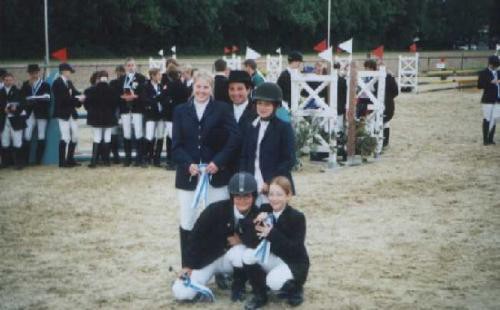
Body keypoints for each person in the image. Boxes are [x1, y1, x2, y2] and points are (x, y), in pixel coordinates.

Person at [172, 71, 240, 268]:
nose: (202, 91)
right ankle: (187, 266)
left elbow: (234, 139)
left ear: (211, 89)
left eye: (206, 87)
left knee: (218, 220)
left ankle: (218, 268)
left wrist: (218, 162)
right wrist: (188, 164)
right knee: (187, 219)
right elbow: (176, 145)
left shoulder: (223, 109)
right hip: (189, 175)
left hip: (215, 175)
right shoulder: (180, 110)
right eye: (198, 86)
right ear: (193, 87)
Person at [172, 172, 261, 303]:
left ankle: (239, 286)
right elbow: (195, 237)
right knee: (181, 292)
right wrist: (187, 265)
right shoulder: (215, 209)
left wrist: (242, 239)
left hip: (231, 261)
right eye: (238, 196)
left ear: (253, 196)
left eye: (247, 195)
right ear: (231, 196)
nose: (242, 200)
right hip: (208, 259)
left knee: (241, 250)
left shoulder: (258, 215)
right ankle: (203, 287)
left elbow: (260, 242)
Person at [242, 176, 309, 309]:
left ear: (288, 196)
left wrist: (272, 233)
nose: (274, 198)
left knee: (273, 281)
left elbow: (294, 249)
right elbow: (249, 240)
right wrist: (255, 222)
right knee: (247, 255)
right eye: (271, 194)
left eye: (279, 194)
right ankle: (260, 295)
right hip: (273, 257)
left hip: (292, 262)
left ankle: (295, 288)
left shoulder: (297, 217)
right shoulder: (264, 209)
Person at [240, 82, 296, 206]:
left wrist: (270, 181)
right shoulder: (251, 127)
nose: (262, 108)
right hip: (252, 182)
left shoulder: (284, 128)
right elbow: (244, 156)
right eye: (259, 103)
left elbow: (289, 159)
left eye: (267, 104)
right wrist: (245, 180)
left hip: (274, 184)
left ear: (275, 106)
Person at [84, 70, 119, 168]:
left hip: (95, 117)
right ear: (107, 78)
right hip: (108, 117)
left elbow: (87, 104)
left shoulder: (90, 90)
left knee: (97, 138)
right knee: (107, 137)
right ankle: (106, 161)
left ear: (98, 79)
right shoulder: (112, 90)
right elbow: (115, 104)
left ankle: (94, 161)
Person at [52, 63, 84, 168]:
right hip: (62, 113)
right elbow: (63, 99)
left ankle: (70, 159)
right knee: (65, 137)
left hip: (71, 112)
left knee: (75, 136)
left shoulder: (69, 82)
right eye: (69, 71)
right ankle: (62, 161)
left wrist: (83, 96)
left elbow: (75, 93)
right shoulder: (57, 83)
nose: (70, 73)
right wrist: (77, 99)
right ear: (63, 71)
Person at [117, 57, 146, 166]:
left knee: (138, 132)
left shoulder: (141, 78)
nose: (130, 67)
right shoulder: (121, 79)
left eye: (132, 65)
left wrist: (136, 96)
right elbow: (118, 93)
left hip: (137, 108)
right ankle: (127, 159)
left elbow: (143, 93)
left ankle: (140, 159)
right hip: (125, 109)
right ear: (125, 67)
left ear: (136, 66)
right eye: (128, 65)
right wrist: (122, 97)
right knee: (127, 133)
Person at [20, 64, 51, 164]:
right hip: (30, 113)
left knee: (41, 135)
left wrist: (33, 99)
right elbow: (22, 98)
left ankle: (38, 160)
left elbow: (47, 98)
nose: (34, 75)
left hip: (41, 112)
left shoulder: (45, 84)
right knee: (27, 135)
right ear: (29, 74)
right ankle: (25, 160)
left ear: (39, 72)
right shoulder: (26, 84)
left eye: (36, 73)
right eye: (32, 73)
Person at [163, 64, 190, 169]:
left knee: (172, 138)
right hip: (181, 115)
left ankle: (173, 161)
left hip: (171, 115)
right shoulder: (183, 85)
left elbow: (163, 98)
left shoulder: (169, 85)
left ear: (169, 76)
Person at [0, 72, 26, 169]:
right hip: (3, 119)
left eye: (10, 80)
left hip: (16, 119)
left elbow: (23, 104)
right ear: (3, 81)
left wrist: (12, 109)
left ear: (13, 80)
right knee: (4, 141)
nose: (8, 82)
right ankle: (5, 162)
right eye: (6, 80)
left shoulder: (18, 91)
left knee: (17, 141)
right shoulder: (0, 92)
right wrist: (3, 109)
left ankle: (19, 163)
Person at [142, 68, 166, 166]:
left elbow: (164, 98)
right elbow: (145, 99)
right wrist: (156, 99)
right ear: (153, 75)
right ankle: (146, 157)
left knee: (160, 136)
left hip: (160, 114)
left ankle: (157, 159)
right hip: (151, 114)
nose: (160, 76)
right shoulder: (146, 86)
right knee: (149, 135)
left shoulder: (161, 86)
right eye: (158, 74)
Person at [478, 55, 500, 145]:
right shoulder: (483, 73)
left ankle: (491, 138)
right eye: (495, 65)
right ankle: (485, 139)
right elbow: (479, 85)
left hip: (498, 99)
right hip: (488, 99)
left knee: (494, 118)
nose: (496, 67)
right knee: (487, 118)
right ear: (490, 64)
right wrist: (490, 82)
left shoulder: (498, 73)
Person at [108, 65, 126, 164]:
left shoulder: (114, 83)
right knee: (114, 132)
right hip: (117, 108)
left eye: (120, 72)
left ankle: (115, 154)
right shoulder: (116, 83)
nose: (119, 74)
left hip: (119, 108)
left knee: (115, 132)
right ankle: (115, 154)